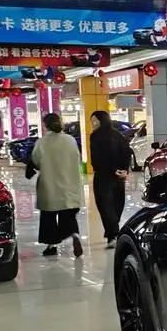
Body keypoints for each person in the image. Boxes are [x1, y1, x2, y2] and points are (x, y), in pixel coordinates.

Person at [27, 113, 83, 258]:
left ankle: (51, 246)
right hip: (70, 183)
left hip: (49, 184)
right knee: (68, 214)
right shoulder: (70, 140)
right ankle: (75, 234)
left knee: (49, 217)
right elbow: (77, 159)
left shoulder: (42, 142)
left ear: (45, 126)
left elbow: (36, 161)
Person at [89, 109, 130, 248]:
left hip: (103, 176)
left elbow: (96, 158)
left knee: (105, 206)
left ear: (101, 121)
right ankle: (114, 232)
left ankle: (112, 234)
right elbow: (126, 152)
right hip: (118, 177)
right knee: (117, 204)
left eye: (95, 121)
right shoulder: (118, 135)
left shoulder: (95, 136)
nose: (93, 124)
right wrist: (124, 170)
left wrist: (114, 170)